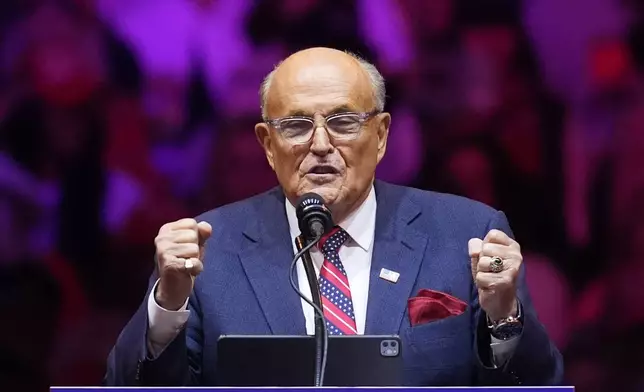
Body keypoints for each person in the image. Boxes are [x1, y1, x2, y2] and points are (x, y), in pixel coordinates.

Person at [104, 47, 563, 386]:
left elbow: (541, 384)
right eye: (297, 126)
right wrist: (167, 306)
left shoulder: (466, 235)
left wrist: (503, 318)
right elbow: (126, 387)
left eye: (344, 122)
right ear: (267, 144)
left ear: (381, 135)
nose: (320, 144)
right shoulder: (209, 249)